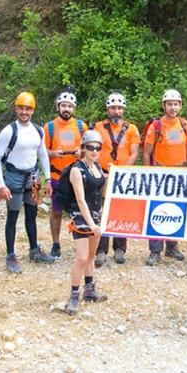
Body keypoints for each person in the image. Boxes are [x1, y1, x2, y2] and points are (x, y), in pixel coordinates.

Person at [0, 92, 56, 273]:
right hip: (14, 177)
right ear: (16, 109)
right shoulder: (9, 131)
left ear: (33, 110)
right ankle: (11, 255)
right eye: (21, 108)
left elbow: (42, 154)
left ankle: (34, 250)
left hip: (33, 177)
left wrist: (48, 179)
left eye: (28, 109)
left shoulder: (38, 130)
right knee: (12, 216)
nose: (24, 112)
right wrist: (2, 185)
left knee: (32, 214)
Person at [142, 89, 187, 265]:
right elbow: (147, 152)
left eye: (176, 104)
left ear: (180, 105)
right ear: (164, 106)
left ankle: (172, 247)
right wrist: (148, 173)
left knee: (177, 209)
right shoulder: (155, 126)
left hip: (180, 174)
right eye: (170, 104)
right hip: (160, 173)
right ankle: (155, 250)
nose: (173, 107)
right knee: (156, 210)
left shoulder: (185, 125)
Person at [93, 92, 141, 266]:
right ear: (108, 109)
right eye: (113, 108)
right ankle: (101, 250)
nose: (116, 111)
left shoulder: (132, 129)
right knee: (102, 211)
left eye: (119, 108)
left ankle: (120, 248)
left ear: (124, 109)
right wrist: (98, 170)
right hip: (103, 173)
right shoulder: (97, 127)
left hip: (122, 175)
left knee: (122, 211)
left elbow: (134, 151)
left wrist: (122, 171)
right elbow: (92, 150)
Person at [65, 130, 108, 315]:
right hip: (82, 217)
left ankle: (89, 289)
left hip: (96, 214)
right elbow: (81, 199)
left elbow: (103, 191)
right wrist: (91, 224)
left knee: (91, 255)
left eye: (98, 147)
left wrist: (111, 176)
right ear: (83, 148)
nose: (95, 150)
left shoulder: (97, 167)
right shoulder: (77, 169)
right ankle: (74, 294)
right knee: (81, 257)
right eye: (91, 147)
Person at [44, 88, 87, 260]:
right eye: (63, 106)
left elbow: (88, 149)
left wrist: (80, 153)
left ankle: (81, 244)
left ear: (74, 108)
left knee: (80, 211)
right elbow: (42, 151)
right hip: (57, 177)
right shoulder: (50, 127)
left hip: (76, 176)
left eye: (69, 106)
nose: (66, 109)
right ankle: (55, 243)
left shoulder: (80, 126)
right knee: (56, 211)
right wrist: (54, 154)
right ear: (58, 107)